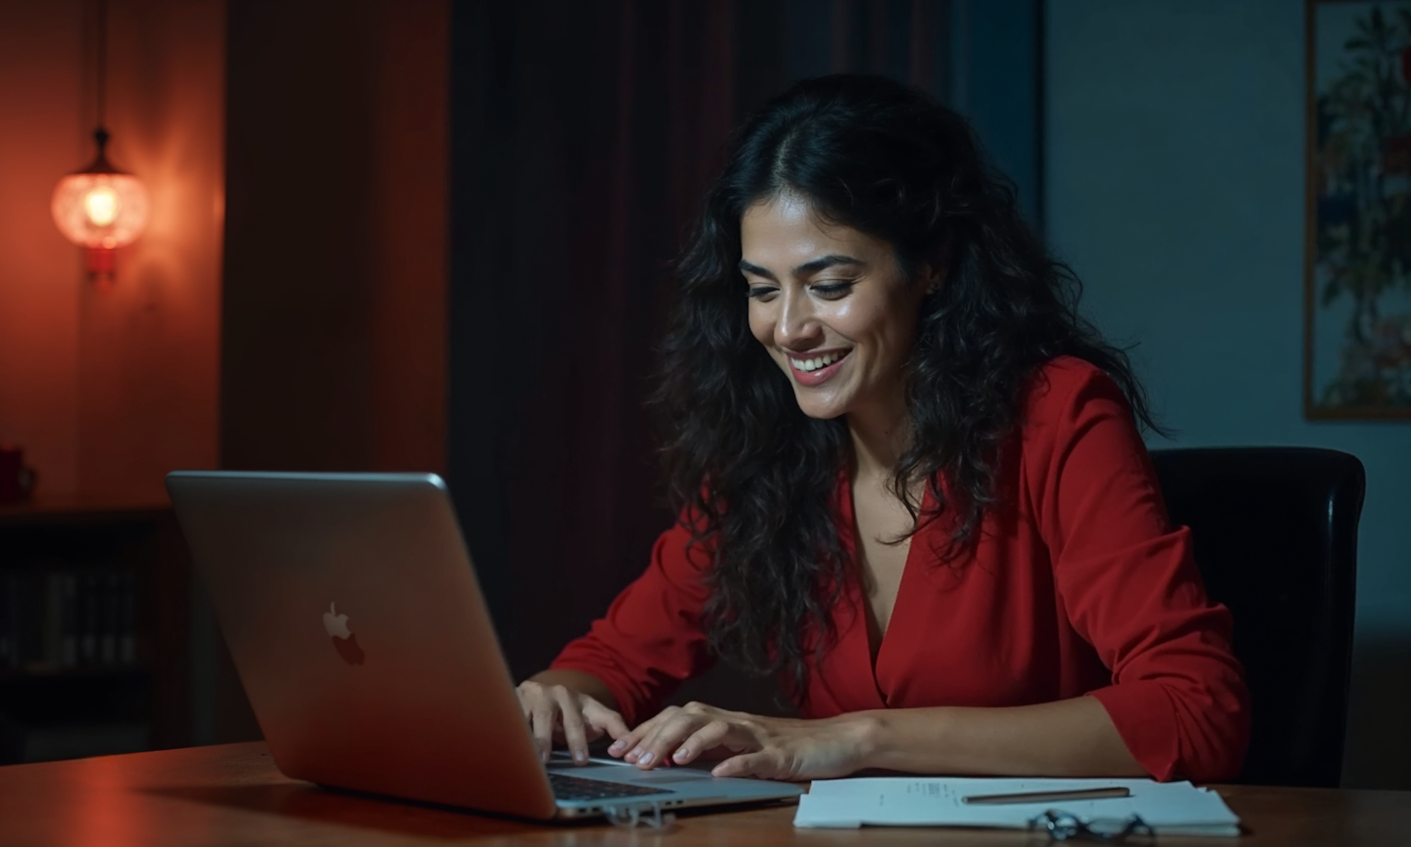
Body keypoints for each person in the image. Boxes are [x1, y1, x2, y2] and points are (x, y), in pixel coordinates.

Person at [515, 75, 1249, 783]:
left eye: (830, 285)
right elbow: (610, 662)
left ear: (932, 263)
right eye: (762, 289)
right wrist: (557, 697)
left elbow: (1196, 710)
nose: (788, 328)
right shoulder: (767, 449)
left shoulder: (1057, 413)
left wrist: (857, 737)